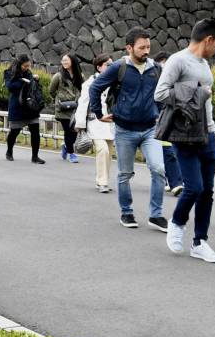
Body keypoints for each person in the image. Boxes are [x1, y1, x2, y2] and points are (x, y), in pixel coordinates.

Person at [158, 19, 215, 263]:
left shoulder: (205, 64)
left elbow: (206, 105)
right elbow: (161, 93)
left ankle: (200, 242)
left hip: (206, 134)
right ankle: (177, 222)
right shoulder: (178, 60)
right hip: (185, 134)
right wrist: (196, 91)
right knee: (194, 187)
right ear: (208, 40)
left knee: (207, 192)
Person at [89, 27, 167, 232]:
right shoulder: (118, 67)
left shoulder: (155, 69)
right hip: (124, 129)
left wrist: (157, 110)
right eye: (142, 47)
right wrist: (99, 114)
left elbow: (163, 92)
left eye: (148, 47)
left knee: (158, 170)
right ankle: (127, 212)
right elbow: (95, 88)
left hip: (150, 128)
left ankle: (156, 215)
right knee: (125, 174)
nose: (146, 51)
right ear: (129, 47)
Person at [75, 54, 115, 193]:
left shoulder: (115, 82)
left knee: (109, 153)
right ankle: (102, 182)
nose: (111, 67)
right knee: (102, 149)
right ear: (99, 67)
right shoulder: (89, 83)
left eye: (112, 64)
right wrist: (80, 124)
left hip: (110, 122)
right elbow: (83, 103)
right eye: (107, 65)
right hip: (95, 121)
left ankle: (103, 180)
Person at [4, 54, 45, 164]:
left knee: (35, 132)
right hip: (17, 107)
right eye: (25, 66)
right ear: (19, 64)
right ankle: (9, 151)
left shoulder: (28, 72)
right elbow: (10, 86)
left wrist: (35, 80)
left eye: (28, 66)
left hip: (30, 106)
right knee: (14, 132)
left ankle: (35, 156)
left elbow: (33, 87)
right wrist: (22, 81)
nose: (27, 68)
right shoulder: (8, 72)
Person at [154, 51, 184, 197]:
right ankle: (173, 181)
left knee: (171, 152)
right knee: (164, 154)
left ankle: (176, 183)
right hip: (156, 120)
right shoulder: (153, 81)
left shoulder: (176, 81)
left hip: (172, 120)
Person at [50, 53, 85, 163]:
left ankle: (66, 146)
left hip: (76, 109)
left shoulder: (80, 76)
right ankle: (71, 153)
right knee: (68, 131)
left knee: (74, 131)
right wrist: (59, 100)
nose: (64, 62)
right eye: (63, 60)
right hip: (63, 109)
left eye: (66, 60)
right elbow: (51, 91)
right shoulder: (58, 76)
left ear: (73, 61)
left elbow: (84, 90)